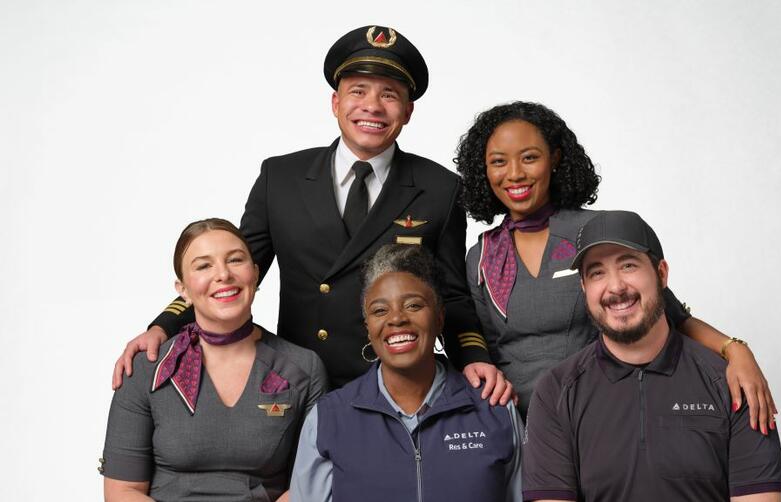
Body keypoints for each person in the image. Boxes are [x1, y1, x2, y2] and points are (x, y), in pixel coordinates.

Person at [112, 25, 510, 402]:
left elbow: (452, 294)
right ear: (336, 103)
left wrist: (473, 357)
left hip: (396, 383)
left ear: (407, 111)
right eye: (358, 91)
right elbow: (235, 271)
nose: (372, 106)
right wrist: (162, 327)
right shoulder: (280, 177)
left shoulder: (440, 188)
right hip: (300, 382)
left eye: (389, 94)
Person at [457, 101, 776, 425]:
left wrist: (735, 350)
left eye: (529, 157)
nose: (514, 173)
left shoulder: (596, 234)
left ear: (554, 159)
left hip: (605, 416)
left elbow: (672, 315)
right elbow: (489, 356)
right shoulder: (481, 257)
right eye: (499, 162)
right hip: (521, 432)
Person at [523, 210, 781, 501]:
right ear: (584, 287)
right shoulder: (556, 393)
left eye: (628, 265)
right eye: (597, 272)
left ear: (661, 274)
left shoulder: (733, 384)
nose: (615, 287)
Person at [100, 218, 327, 501]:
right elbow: (123, 491)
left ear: (255, 273)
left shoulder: (303, 368)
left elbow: (307, 485)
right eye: (204, 265)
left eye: (235, 260)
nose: (223, 275)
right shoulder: (146, 369)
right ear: (182, 289)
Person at [290, 244, 524, 501]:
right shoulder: (327, 419)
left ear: (439, 318)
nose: (396, 319)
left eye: (413, 305)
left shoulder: (494, 408)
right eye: (380, 310)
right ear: (368, 328)